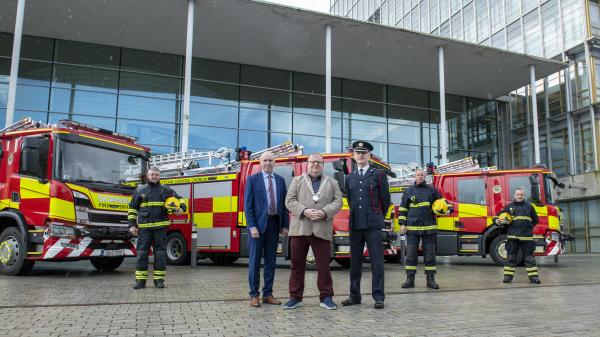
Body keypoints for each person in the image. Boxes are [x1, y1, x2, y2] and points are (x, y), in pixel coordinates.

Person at [284, 153, 343, 310]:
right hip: (300, 229)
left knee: (324, 265)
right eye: (312, 162)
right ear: (307, 164)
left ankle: (326, 297)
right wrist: (304, 211)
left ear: (323, 165)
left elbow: (338, 201)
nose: (315, 165)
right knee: (297, 265)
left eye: (318, 162)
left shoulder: (332, 182)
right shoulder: (297, 181)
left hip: (321, 228)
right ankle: (295, 298)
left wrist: (324, 212)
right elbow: (289, 201)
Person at [341, 141, 391, 309]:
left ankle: (378, 297)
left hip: (373, 225)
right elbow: (350, 199)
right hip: (355, 224)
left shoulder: (378, 175)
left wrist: (377, 217)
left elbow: (385, 201)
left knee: (377, 262)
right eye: (358, 152)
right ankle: (354, 296)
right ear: (354, 156)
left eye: (364, 152)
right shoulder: (349, 177)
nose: (361, 155)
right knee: (354, 262)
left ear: (369, 155)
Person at [244, 151, 290, 307]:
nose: (268, 163)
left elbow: (284, 205)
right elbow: (248, 206)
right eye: (265, 160)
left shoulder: (280, 180)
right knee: (255, 262)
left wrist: (284, 225)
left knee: (271, 261)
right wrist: (252, 226)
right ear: (260, 162)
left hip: (274, 225)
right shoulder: (252, 180)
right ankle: (254, 295)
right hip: (258, 226)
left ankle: (268, 294)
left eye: (271, 160)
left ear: (274, 162)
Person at [128, 167, 184, 289]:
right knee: (142, 254)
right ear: (147, 176)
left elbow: (180, 199)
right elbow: (132, 208)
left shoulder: (166, 190)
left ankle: (159, 280)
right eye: (152, 174)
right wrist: (132, 225)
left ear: (159, 176)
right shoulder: (139, 190)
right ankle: (140, 281)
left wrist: (181, 209)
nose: (154, 176)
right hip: (144, 229)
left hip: (160, 229)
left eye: (156, 174)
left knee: (160, 254)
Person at [399, 169, 443, 289]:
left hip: (429, 228)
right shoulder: (408, 191)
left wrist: (446, 208)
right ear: (415, 176)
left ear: (425, 177)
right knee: (411, 255)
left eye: (422, 175)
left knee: (430, 255)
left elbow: (441, 203)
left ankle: (431, 280)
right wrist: (402, 224)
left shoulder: (432, 190)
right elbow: (403, 208)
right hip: (412, 229)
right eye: (418, 175)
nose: (420, 177)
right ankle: (410, 280)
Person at [494, 187, 541, 284]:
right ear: (514, 196)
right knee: (511, 258)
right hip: (512, 237)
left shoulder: (529, 206)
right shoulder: (509, 207)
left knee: (529, 258)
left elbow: (536, 220)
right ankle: (507, 277)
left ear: (524, 196)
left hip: (527, 237)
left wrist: (527, 228)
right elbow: (497, 216)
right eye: (518, 194)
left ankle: (534, 278)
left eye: (521, 195)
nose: (519, 196)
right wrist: (497, 221)